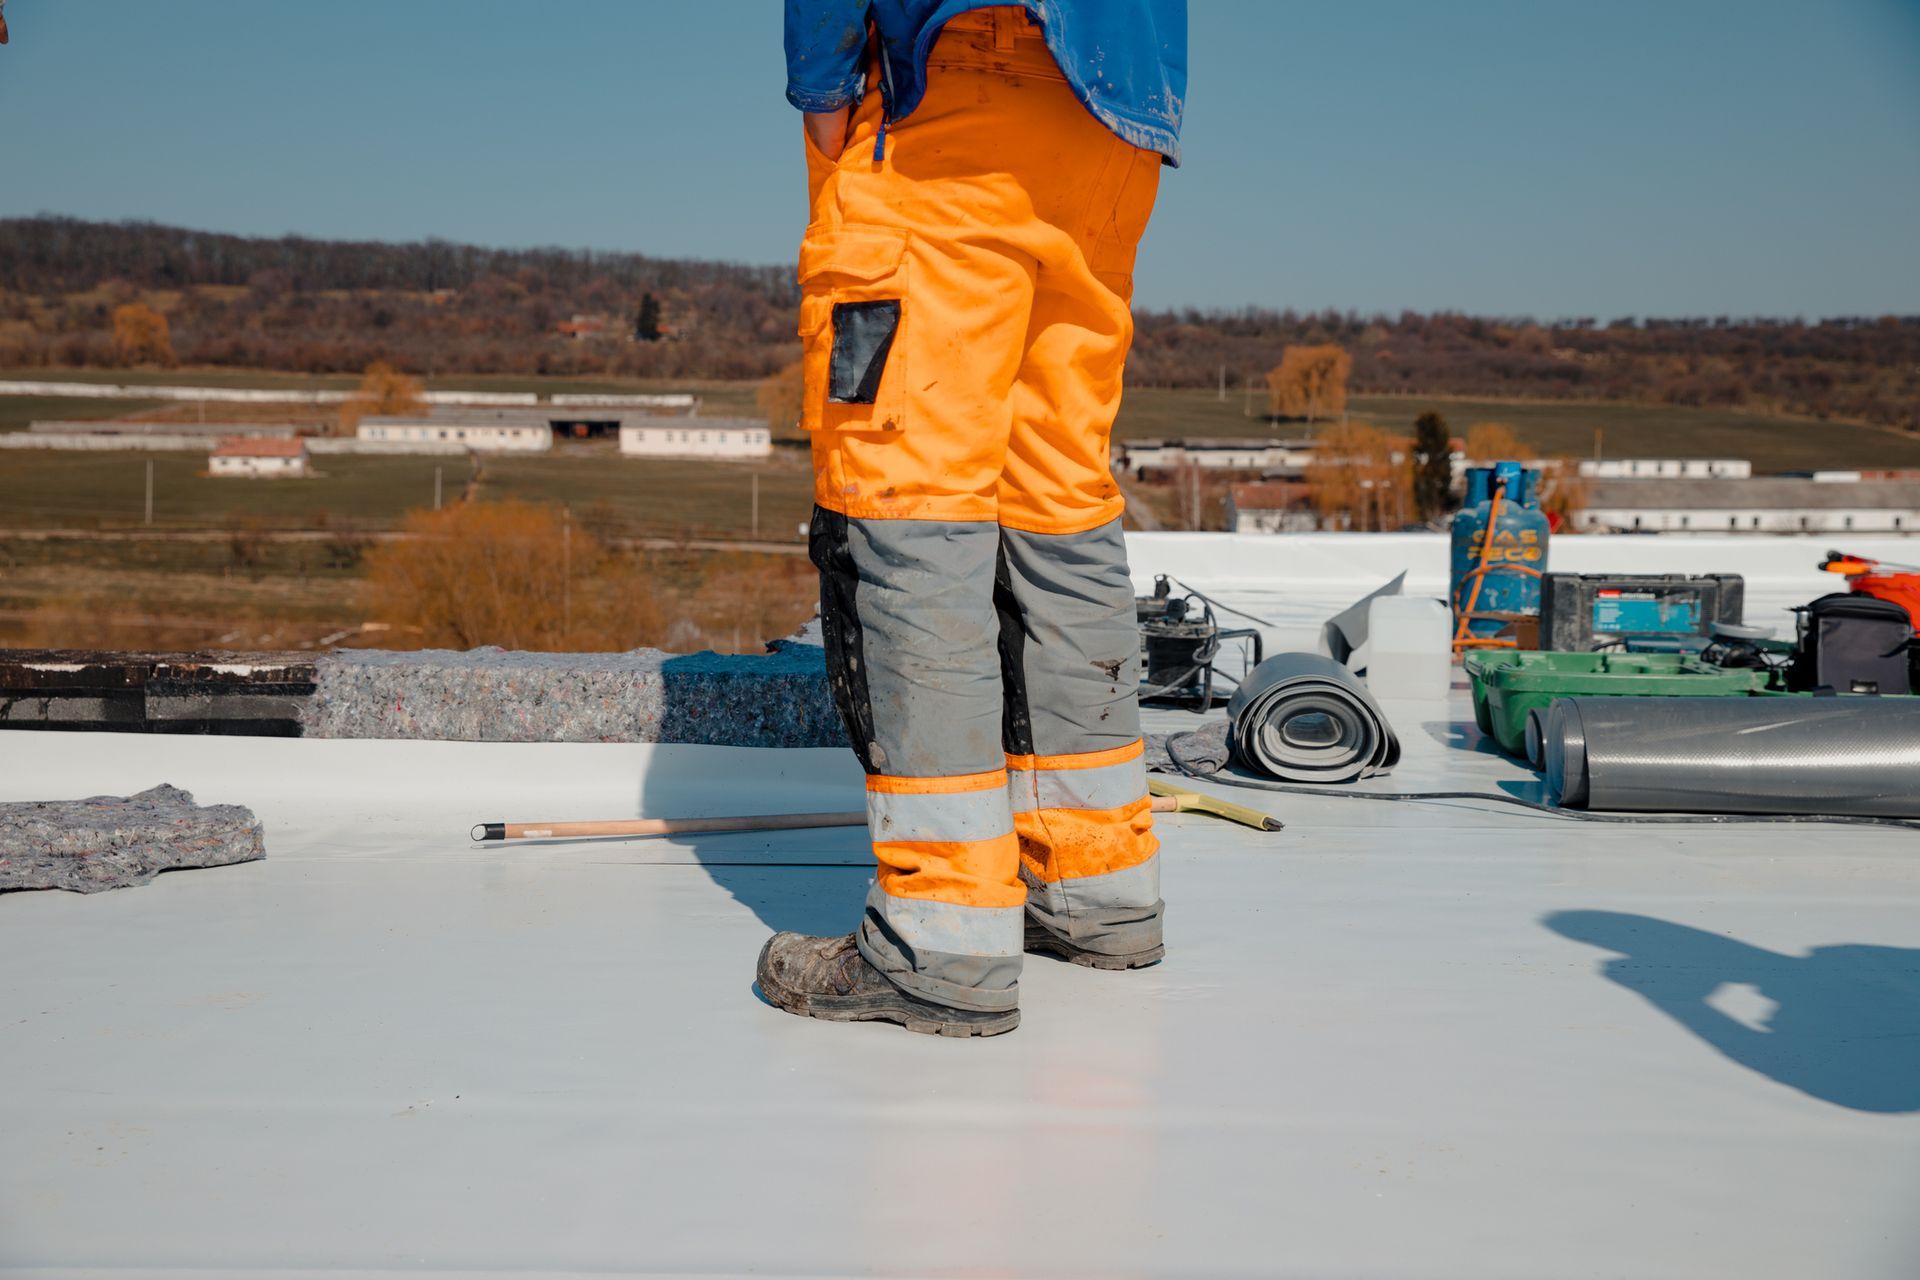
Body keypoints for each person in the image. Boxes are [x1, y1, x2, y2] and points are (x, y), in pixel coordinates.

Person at [757, 0, 1186, 1037]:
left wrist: (826, 93)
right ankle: (1096, 885)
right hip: (1114, 123)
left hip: (954, 96)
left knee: (911, 512)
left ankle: (938, 936)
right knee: (1059, 503)